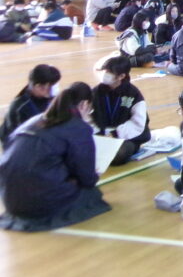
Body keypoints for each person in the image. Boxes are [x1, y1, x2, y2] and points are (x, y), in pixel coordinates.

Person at [0, 82, 110, 231]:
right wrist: (94, 175)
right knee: (91, 193)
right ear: (84, 104)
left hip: (8, 198)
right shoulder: (78, 127)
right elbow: (86, 178)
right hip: (39, 201)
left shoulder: (35, 120)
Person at [91, 56, 150, 166]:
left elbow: (138, 123)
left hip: (125, 137)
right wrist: (98, 133)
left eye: (109, 72)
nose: (105, 74)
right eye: (104, 71)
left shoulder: (133, 93)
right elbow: (89, 117)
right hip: (101, 135)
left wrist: (115, 133)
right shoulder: (96, 92)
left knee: (119, 154)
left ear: (121, 76)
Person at [1, 65, 60, 148]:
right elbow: (18, 138)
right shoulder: (20, 107)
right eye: (45, 87)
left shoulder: (51, 97)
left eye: (52, 85)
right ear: (35, 86)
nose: (49, 90)